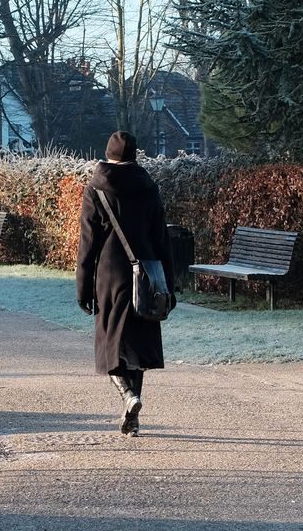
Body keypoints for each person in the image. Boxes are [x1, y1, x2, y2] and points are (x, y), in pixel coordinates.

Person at [76, 131, 175, 437]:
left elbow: (88, 243)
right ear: (134, 155)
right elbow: (162, 239)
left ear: (108, 155)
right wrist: (168, 284)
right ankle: (133, 415)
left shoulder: (97, 188)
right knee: (138, 345)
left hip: (111, 276)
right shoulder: (148, 187)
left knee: (110, 345)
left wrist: (83, 288)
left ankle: (128, 397)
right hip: (145, 273)